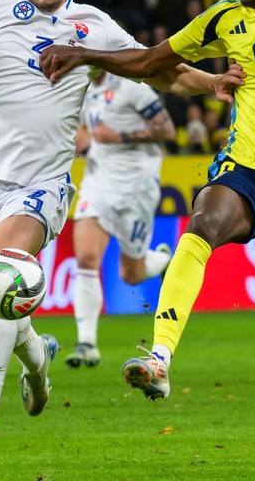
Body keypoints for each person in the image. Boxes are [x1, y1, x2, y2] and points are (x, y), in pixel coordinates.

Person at [0, 0, 243, 475]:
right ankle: (36, 358)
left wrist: (209, 84)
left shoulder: (92, 26)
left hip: (39, 187)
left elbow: (155, 69)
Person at [39, 0, 255, 479]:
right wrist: (87, 57)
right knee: (202, 222)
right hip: (248, 167)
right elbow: (153, 61)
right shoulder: (222, 16)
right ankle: (159, 357)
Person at [65, 71, 176, 369]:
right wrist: (82, 141)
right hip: (98, 183)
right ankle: (86, 343)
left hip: (137, 189)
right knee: (86, 257)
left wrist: (120, 137)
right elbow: (88, 131)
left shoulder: (133, 89)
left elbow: (167, 131)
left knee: (131, 274)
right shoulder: (86, 90)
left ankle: (162, 262)